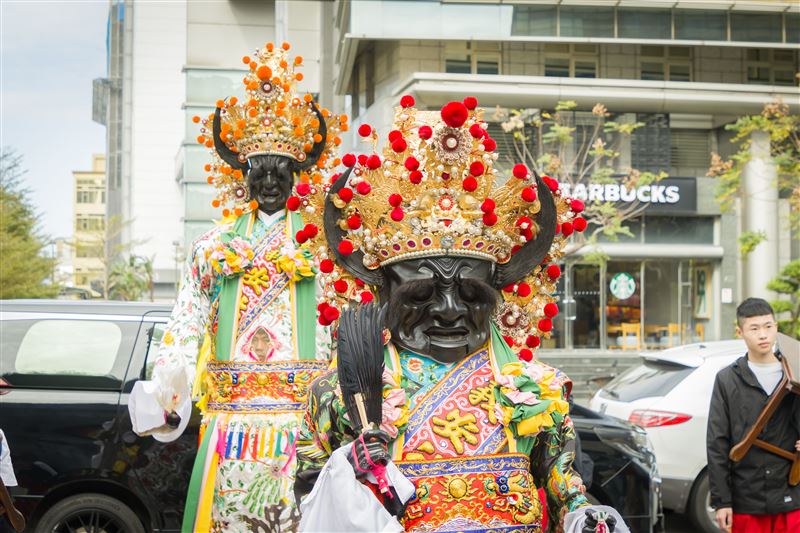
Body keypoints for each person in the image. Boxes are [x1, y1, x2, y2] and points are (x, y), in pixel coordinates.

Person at [293, 97, 627, 533]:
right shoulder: (340, 394)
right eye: (422, 295)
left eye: (471, 295)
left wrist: (582, 511)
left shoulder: (534, 388)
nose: (450, 311)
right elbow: (307, 490)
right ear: (385, 293)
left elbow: (562, 477)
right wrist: (348, 466)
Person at [128, 41, 346, 532]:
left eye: (281, 169)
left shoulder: (325, 248)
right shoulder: (212, 246)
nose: (270, 180)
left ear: (298, 173)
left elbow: (343, 327)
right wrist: (172, 373)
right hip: (232, 421)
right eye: (259, 169)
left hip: (307, 420)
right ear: (242, 175)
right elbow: (186, 318)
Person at [707, 297, 800, 533]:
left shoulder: (796, 373)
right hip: (747, 499)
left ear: (776, 328)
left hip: (792, 495)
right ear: (740, 332)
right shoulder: (727, 379)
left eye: (768, 327)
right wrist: (722, 502)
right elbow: (717, 443)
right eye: (754, 328)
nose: (763, 335)